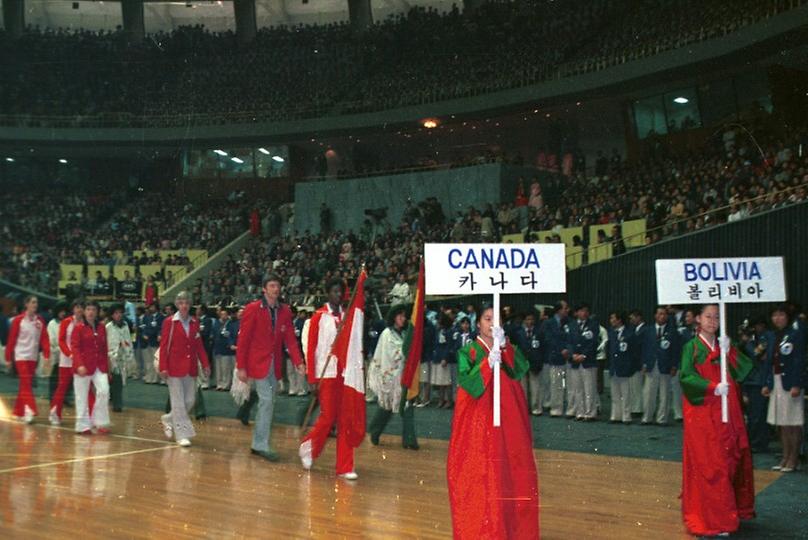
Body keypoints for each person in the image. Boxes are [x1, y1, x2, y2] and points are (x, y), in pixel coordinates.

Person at [447, 305, 539, 539]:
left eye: (496, 319)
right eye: (487, 319)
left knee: (510, 472)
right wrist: (487, 365)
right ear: (478, 323)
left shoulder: (506, 346)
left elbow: (520, 369)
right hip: (479, 421)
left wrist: (505, 348)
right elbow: (468, 383)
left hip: (507, 421)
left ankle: (510, 527)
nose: (492, 323)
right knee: (480, 475)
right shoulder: (468, 352)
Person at [680, 304, 755, 537]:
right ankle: (711, 519)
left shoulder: (723, 345)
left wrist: (730, 351)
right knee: (710, 465)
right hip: (703, 414)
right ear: (698, 320)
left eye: (716, 316)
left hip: (727, 413)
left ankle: (727, 514)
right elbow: (686, 377)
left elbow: (743, 370)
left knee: (730, 460)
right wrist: (712, 388)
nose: (712, 321)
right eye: (708, 316)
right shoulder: (691, 348)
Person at [236, 275, 305, 461]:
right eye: (272, 285)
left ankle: (258, 441)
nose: (276, 289)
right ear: (264, 289)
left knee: (269, 402)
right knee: (266, 401)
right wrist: (241, 366)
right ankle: (260, 445)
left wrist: (298, 361)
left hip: (275, 365)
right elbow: (243, 340)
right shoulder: (252, 309)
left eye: (278, 285)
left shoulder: (285, 311)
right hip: (257, 363)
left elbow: (290, 339)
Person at [299, 279, 358, 479]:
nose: (337, 295)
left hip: (346, 374)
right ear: (327, 293)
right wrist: (312, 377)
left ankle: (345, 466)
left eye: (340, 291)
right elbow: (311, 348)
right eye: (334, 291)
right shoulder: (317, 318)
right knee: (328, 416)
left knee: (345, 419)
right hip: (327, 373)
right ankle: (309, 447)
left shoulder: (349, 317)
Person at [158, 291, 210, 447]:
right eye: (181, 303)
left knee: (190, 400)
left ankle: (168, 419)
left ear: (190, 304)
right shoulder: (169, 322)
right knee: (178, 402)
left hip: (191, 367)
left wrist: (206, 364)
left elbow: (199, 346)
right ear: (176, 304)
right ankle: (182, 435)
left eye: (187, 303)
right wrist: (163, 367)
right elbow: (164, 345)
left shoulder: (195, 322)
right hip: (173, 367)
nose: (184, 306)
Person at [761, 304, 805, 472]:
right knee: (781, 422)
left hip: (790, 382)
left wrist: (797, 384)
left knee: (792, 423)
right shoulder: (772, 335)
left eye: (781, 315)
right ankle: (785, 456)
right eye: (774, 315)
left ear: (787, 316)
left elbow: (799, 360)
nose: (777, 318)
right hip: (776, 380)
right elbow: (768, 362)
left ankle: (793, 458)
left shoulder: (795, 333)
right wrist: (766, 383)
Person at [367, 305, 417, 449]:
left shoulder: (404, 334)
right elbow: (391, 354)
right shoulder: (387, 334)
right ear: (394, 317)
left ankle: (409, 441)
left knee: (407, 406)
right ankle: (375, 431)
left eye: (404, 316)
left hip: (403, 375)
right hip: (390, 376)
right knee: (386, 407)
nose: (403, 319)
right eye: (399, 316)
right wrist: (404, 352)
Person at [5, 296, 50, 423]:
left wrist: (46, 355)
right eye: (33, 302)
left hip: (33, 357)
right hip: (20, 356)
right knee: (26, 382)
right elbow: (11, 340)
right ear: (26, 304)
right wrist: (8, 358)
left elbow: (44, 339)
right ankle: (30, 410)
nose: (35, 304)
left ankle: (18, 412)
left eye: (36, 302)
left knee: (26, 384)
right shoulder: (18, 320)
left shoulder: (39, 321)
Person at [71, 301, 111, 435]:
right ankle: (82, 426)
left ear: (97, 311)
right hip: (83, 367)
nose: (91, 312)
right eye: (88, 309)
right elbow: (75, 348)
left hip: (99, 366)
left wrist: (107, 368)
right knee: (81, 397)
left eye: (93, 309)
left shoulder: (102, 327)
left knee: (104, 391)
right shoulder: (78, 327)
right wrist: (79, 365)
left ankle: (99, 421)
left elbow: (105, 348)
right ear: (84, 311)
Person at [640, 306, 680, 426]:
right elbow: (643, 349)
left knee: (665, 393)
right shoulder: (648, 330)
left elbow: (676, 351)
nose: (662, 316)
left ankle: (661, 418)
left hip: (665, 366)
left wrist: (674, 365)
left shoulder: (672, 332)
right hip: (651, 365)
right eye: (660, 314)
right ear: (655, 316)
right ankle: (646, 417)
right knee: (648, 393)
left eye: (664, 314)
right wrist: (644, 363)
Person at [741, 316, 770, 453]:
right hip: (750, 380)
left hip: (759, 380)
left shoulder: (766, 338)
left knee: (758, 415)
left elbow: (757, 354)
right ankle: (754, 441)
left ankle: (759, 442)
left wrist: (749, 343)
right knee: (753, 415)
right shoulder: (751, 340)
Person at [567, 303, 599, 421]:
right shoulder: (572, 325)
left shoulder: (593, 325)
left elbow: (593, 343)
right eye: (581, 311)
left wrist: (584, 355)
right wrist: (573, 354)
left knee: (589, 388)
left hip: (588, 361)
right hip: (575, 361)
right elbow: (569, 342)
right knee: (577, 389)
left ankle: (590, 413)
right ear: (576, 313)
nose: (584, 313)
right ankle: (579, 412)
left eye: (586, 311)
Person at [541, 300, 570, 417]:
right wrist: (560, 349)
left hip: (568, 356)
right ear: (559, 310)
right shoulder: (548, 323)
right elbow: (549, 339)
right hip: (554, 357)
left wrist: (568, 349)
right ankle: (556, 409)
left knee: (569, 386)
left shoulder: (569, 322)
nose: (567, 310)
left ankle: (569, 408)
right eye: (565, 308)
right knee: (555, 384)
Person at [607, 311, 635, 424]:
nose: (611, 320)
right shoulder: (611, 333)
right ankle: (616, 415)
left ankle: (626, 416)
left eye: (613, 318)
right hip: (614, 367)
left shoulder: (629, 333)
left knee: (625, 394)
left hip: (624, 367)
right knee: (615, 393)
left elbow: (633, 352)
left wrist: (630, 366)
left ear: (619, 320)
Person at [106, 304, 134, 413]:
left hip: (123, 356)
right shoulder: (108, 327)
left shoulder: (125, 325)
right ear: (112, 315)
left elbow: (128, 340)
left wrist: (129, 352)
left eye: (120, 313)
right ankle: (116, 403)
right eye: (116, 313)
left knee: (119, 381)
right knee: (114, 380)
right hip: (111, 357)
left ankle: (115, 401)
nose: (118, 315)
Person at [431, 312, 455, 409]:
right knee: (440, 382)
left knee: (447, 382)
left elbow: (449, 346)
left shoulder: (449, 331)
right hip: (437, 358)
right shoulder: (438, 332)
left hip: (445, 360)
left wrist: (445, 358)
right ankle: (441, 399)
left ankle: (449, 400)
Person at [212, 307, 237, 391]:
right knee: (218, 368)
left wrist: (230, 343)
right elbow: (214, 333)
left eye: (225, 314)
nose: (223, 316)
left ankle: (226, 385)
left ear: (228, 315)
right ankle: (219, 384)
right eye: (221, 314)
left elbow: (232, 336)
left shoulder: (231, 324)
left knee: (226, 368)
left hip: (226, 349)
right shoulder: (216, 323)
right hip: (217, 348)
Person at [628, 309, 647, 417]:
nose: (631, 320)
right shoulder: (633, 330)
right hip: (633, 362)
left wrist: (644, 362)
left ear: (638, 317)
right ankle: (635, 407)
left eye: (632, 318)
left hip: (640, 362)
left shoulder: (645, 330)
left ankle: (638, 408)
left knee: (639, 386)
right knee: (634, 386)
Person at [141, 303, 163, 384]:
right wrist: (144, 334)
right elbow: (144, 327)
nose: (151, 308)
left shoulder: (160, 317)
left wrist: (159, 334)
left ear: (156, 307)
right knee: (148, 361)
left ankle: (156, 378)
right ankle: (149, 377)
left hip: (155, 341)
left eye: (152, 306)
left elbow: (161, 327)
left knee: (156, 361)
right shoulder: (148, 317)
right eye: (150, 307)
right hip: (147, 341)